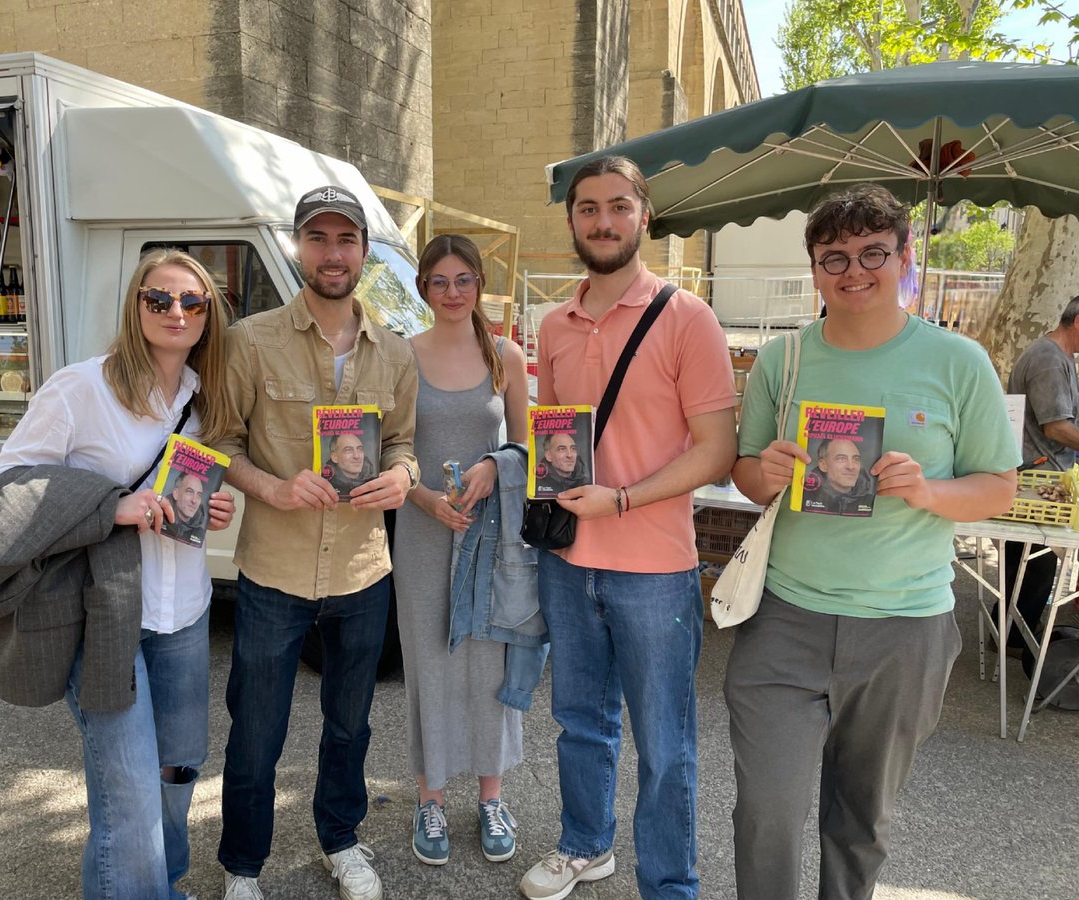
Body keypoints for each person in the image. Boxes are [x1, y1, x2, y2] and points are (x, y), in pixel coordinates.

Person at [726, 182, 1019, 900]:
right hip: (785, 620)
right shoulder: (782, 360)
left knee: (861, 821)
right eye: (835, 257)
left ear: (904, 256)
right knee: (768, 809)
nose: (854, 271)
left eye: (873, 253)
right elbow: (742, 473)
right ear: (815, 268)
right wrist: (763, 473)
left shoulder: (959, 362)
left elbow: (999, 487)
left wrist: (929, 491)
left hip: (905, 627)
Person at [0, 248, 237, 900]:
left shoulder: (201, 398)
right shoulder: (81, 387)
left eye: (192, 301)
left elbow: (185, 491)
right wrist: (110, 507)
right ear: (136, 305)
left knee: (178, 771)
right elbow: (3, 486)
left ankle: (165, 885)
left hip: (184, 611)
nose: (176, 311)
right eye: (160, 299)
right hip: (103, 617)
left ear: (208, 314)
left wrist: (215, 503)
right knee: (128, 799)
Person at [519, 155, 737, 900]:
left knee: (665, 743)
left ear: (645, 213)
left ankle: (670, 885)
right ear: (573, 219)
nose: (603, 222)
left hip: (654, 567)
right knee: (580, 719)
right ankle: (585, 844)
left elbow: (717, 450)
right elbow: (555, 434)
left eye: (618, 206)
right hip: (568, 559)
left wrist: (621, 499)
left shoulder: (687, 318)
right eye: (587, 209)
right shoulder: (552, 324)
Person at [214, 184, 419, 900]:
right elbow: (217, 443)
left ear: (364, 251)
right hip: (275, 568)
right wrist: (272, 487)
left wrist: (401, 478)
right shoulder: (249, 340)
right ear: (299, 246)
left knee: (350, 727)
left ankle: (341, 839)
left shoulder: (395, 353)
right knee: (255, 735)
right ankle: (242, 865)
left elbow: (402, 443)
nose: (333, 254)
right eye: (319, 238)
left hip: (363, 572)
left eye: (346, 239)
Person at [391, 234, 532, 867]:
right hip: (424, 533)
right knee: (430, 664)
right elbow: (388, 451)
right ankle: (430, 799)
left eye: (464, 280)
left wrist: (494, 465)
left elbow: (528, 450)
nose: (452, 292)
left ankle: (492, 797)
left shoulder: (506, 357)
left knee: (490, 668)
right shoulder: (400, 357)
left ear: (480, 283)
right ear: (423, 287)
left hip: (490, 533)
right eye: (440, 281)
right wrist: (422, 498)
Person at [994, 298, 1079, 650]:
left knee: (1027, 565)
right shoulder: (1048, 360)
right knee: (1033, 564)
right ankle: (1014, 639)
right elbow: (1056, 426)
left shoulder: (1060, 357)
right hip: (1036, 475)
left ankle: (1010, 633)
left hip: (1041, 473)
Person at [801, 437, 875, 515]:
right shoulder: (803, 498)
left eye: (856, 459)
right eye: (841, 459)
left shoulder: (870, 501)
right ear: (823, 465)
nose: (851, 467)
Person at [168, 471, 208, 541]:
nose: (194, 501)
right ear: (176, 494)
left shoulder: (199, 534)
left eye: (199, 495)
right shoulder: (160, 516)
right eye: (190, 491)